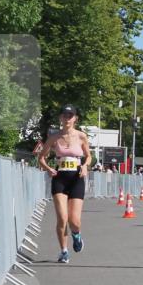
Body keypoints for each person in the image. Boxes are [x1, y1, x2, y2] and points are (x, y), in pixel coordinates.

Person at [38, 105, 90, 263]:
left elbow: (88, 156)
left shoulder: (81, 136)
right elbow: (41, 157)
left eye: (70, 115)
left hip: (76, 178)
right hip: (59, 178)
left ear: (75, 118)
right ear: (60, 118)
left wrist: (85, 166)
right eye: (64, 115)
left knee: (74, 221)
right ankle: (64, 251)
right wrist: (48, 169)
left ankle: (76, 235)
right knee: (62, 218)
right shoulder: (54, 137)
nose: (67, 118)